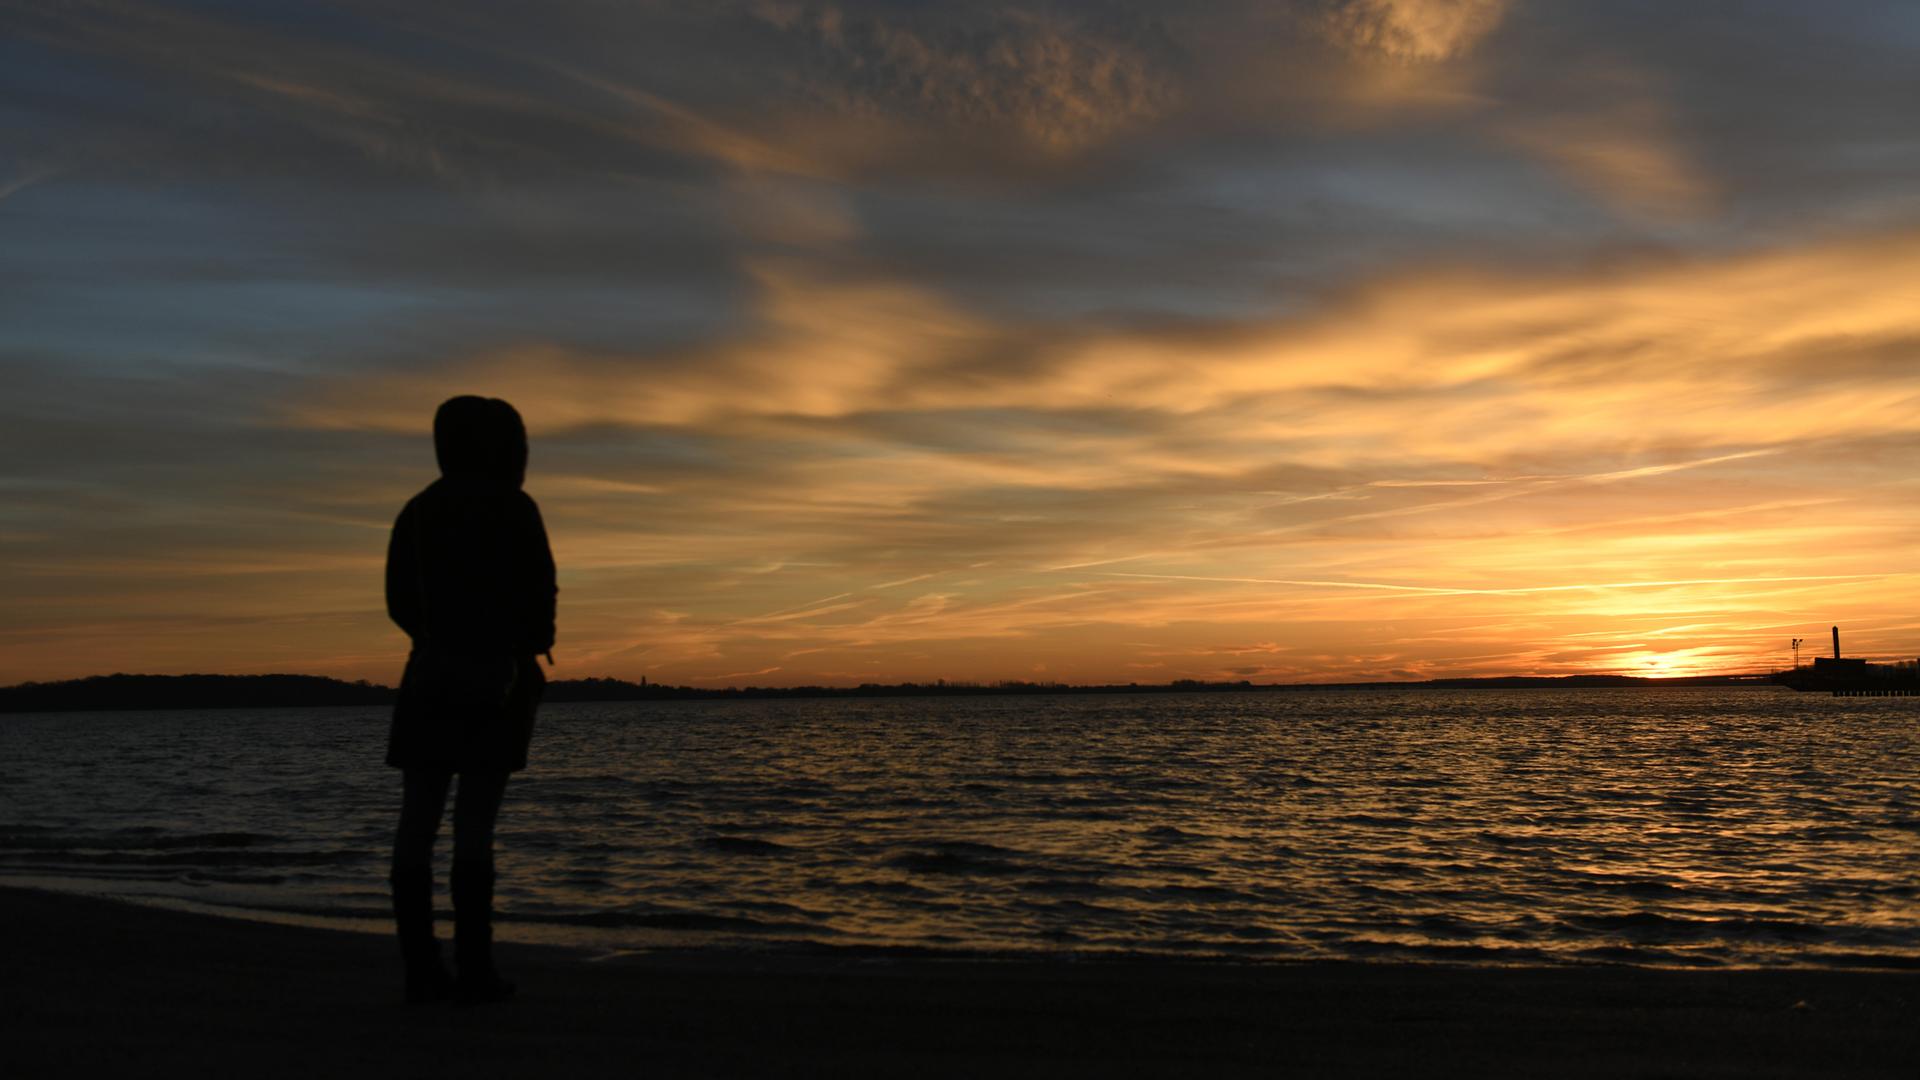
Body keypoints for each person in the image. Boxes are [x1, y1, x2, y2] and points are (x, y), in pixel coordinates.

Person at [384, 395, 556, 1004]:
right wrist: (525, 648)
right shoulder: (515, 507)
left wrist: (434, 641)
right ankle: (474, 968)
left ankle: (422, 970)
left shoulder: (418, 511)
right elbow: (541, 596)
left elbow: (398, 600)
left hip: (427, 674)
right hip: (497, 679)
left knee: (418, 824)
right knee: (474, 826)